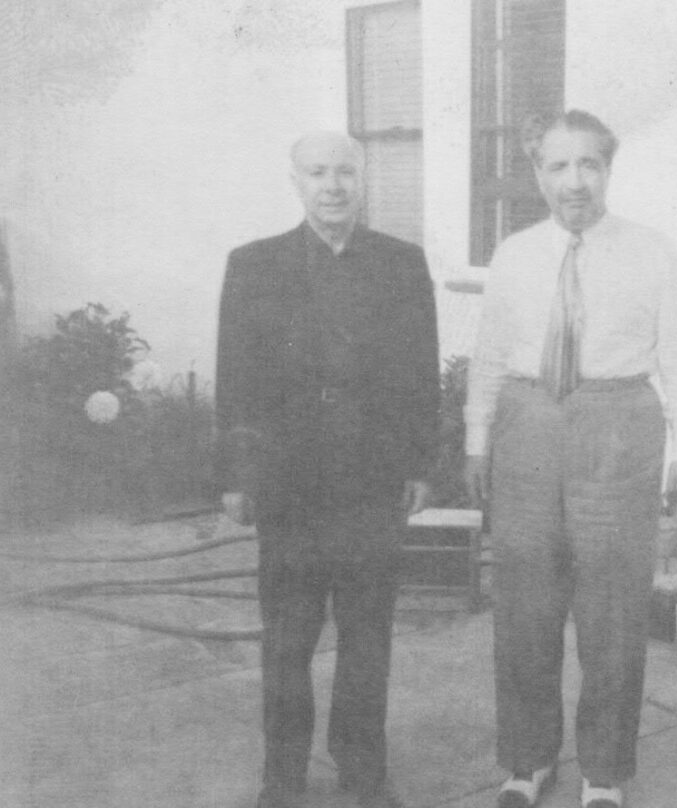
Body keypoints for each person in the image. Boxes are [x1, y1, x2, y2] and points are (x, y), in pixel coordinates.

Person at [463, 109, 677, 808]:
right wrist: (478, 439)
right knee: (524, 606)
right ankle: (527, 760)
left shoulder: (651, 251)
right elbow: (489, 355)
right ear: (538, 173)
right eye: (559, 166)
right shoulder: (514, 254)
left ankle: (604, 770)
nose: (575, 181)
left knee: (614, 609)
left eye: (589, 165)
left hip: (618, 422)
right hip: (528, 423)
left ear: (608, 169)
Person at [216, 131, 440, 808]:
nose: (334, 185)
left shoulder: (401, 264)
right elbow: (235, 376)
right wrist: (236, 475)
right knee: (287, 640)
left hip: (371, 482)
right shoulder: (254, 265)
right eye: (318, 173)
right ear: (297, 182)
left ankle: (363, 769)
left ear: (362, 179)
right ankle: (282, 776)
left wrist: (420, 463)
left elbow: (421, 373)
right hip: (290, 486)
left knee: (368, 638)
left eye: (345, 171)